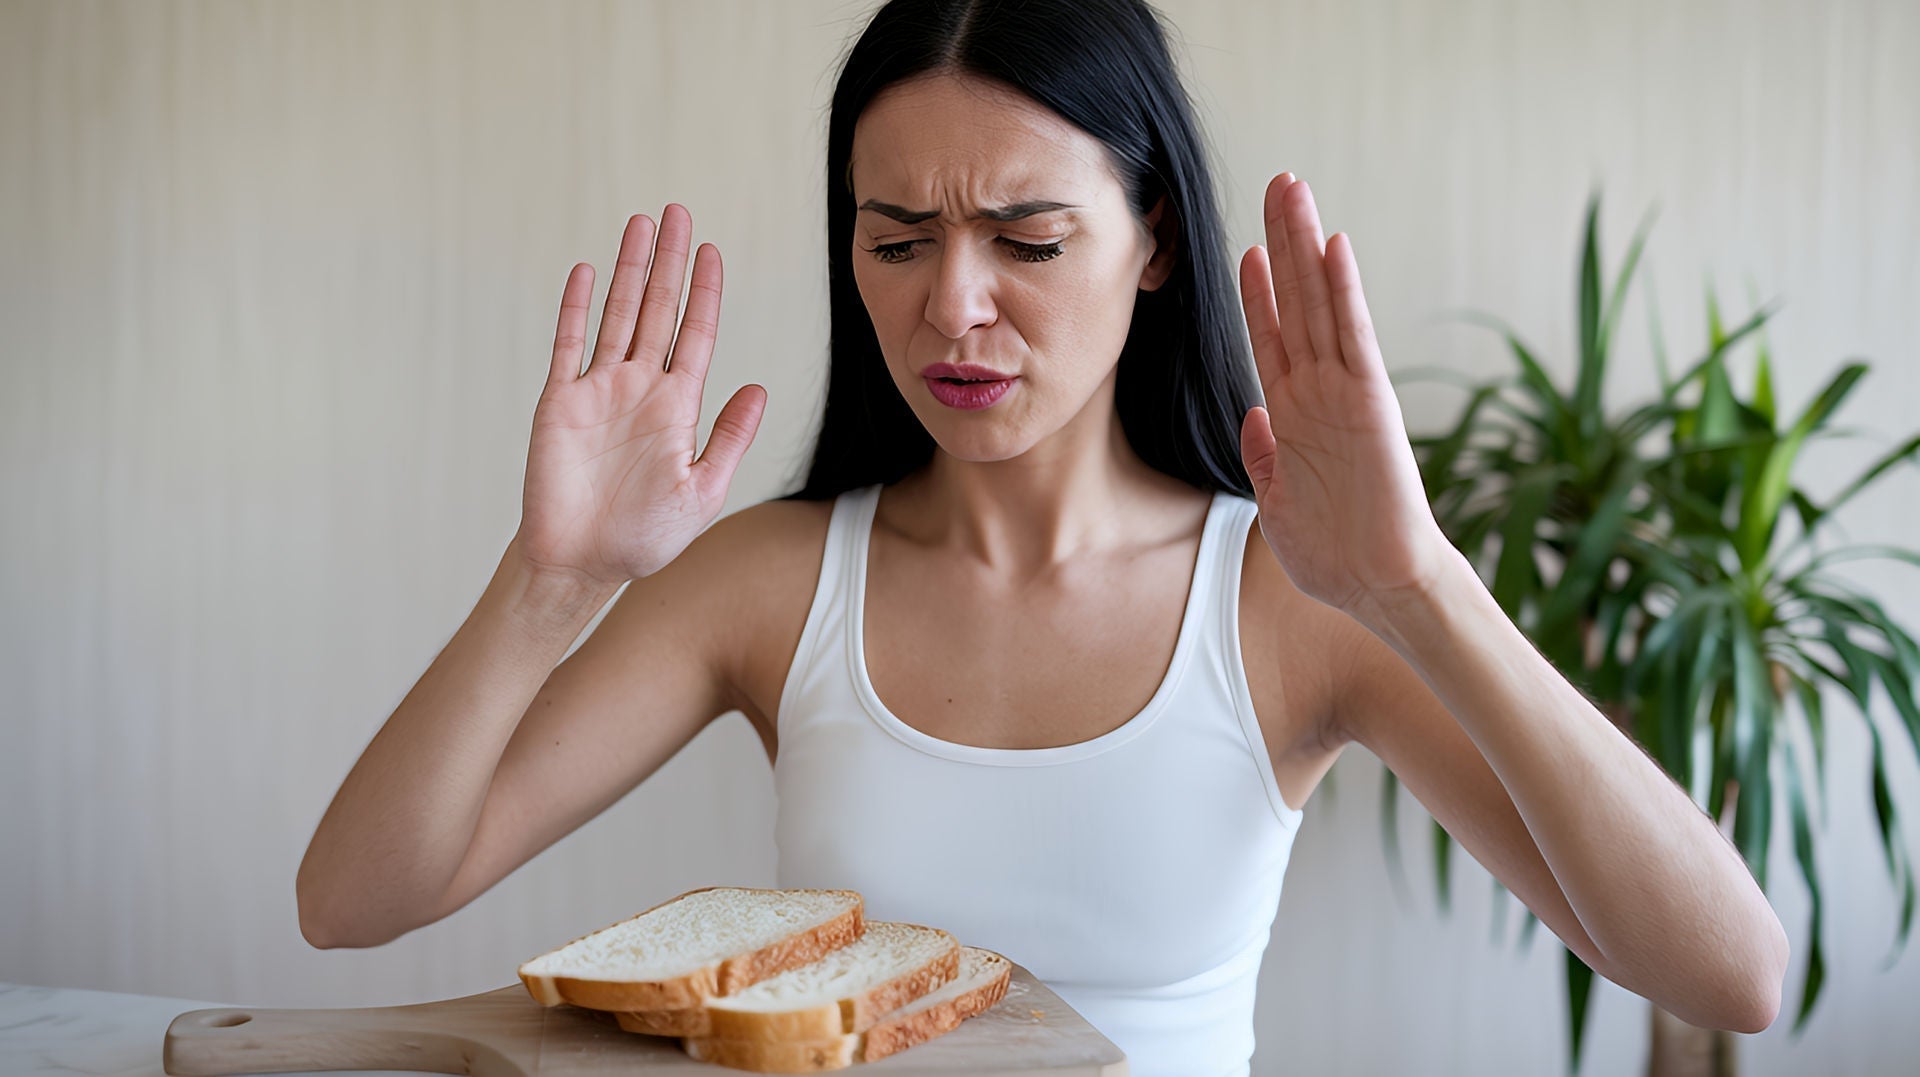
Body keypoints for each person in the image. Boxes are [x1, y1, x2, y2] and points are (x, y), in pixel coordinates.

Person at [296, 1, 1789, 1073]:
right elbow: (354, 902)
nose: (954, 305)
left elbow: (1732, 975)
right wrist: (548, 582)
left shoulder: (1288, 600)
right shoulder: (768, 583)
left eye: (1028, 239)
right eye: (896, 238)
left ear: (1151, 242)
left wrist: (1419, 587)